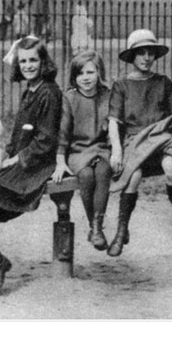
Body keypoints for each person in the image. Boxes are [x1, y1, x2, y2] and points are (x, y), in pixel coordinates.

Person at [0, 36, 62, 297]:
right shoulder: (30, 90)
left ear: (43, 62)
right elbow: (20, 135)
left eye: (33, 60)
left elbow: (45, 142)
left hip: (36, 165)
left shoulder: (49, 93)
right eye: (23, 61)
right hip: (22, 159)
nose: (28, 65)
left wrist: (12, 160)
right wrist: (2, 154)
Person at [107, 29, 172, 256]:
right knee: (133, 176)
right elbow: (113, 121)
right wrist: (116, 151)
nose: (146, 58)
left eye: (150, 53)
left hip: (160, 139)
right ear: (132, 56)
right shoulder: (122, 85)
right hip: (135, 140)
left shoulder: (163, 82)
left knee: (171, 168)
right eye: (141, 53)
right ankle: (121, 230)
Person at [51, 50, 112, 251]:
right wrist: (60, 161)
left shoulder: (107, 96)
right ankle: (94, 226)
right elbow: (63, 133)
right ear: (74, 76)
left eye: (90, 72)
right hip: (78, 151)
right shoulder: (69, 98)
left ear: (99, 73)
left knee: (103, 171)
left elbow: (114, 127)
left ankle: (97, 227)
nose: (85, 78)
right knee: (86, 175)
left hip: (101, 149)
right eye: (80, 73)